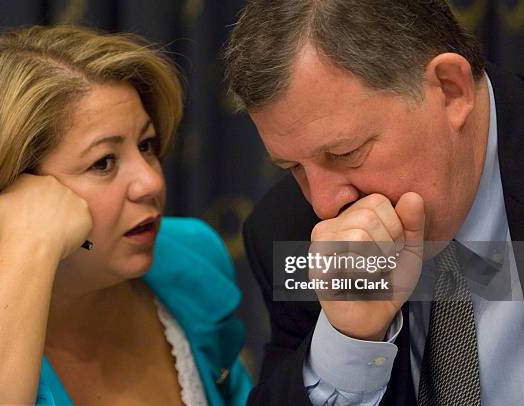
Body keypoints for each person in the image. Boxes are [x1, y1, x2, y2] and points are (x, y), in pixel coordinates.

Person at [0, 25, 251, 405]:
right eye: (103, 162)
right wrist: (29, 242)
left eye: (147, 145)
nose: (151, 182)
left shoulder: (191, 256)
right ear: (4, 188)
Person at [224, 0, 524, 405]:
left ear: (452, 90)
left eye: (347, 153)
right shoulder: (286, 234)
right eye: (293, 166)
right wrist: (348, 344)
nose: (325, 205)